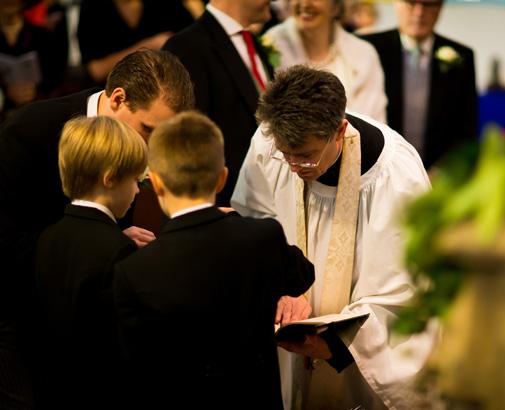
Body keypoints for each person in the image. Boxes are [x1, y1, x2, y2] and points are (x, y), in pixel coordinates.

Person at [231, 65, 438, 409]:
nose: (293, 166)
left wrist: (334, 345)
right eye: (286, 153)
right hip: (286, 345)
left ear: (339, 131)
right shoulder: (270, 143)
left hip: (355, 369)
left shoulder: (396, 177)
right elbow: (252, 227)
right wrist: (279, 289)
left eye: (306, 156)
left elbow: (406, 294)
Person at [0, 48, 194, 409]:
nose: (153, 148)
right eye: (149, 130)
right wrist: (95, 242)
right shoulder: (30, 131)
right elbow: (6, 245)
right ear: (118, 98)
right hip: (17, 326)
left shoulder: (131, 142)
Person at [112, 111, 315, 408]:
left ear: (155, 184)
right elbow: (303, 275)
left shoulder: (134, 270)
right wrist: (239, 221)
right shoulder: (262, 238)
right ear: (222, 179)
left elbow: (133, 370)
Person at [34, 115, 147, 409]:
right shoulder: (118, 250)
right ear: (109, 178)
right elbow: (127, 346)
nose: (137, 190)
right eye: (135, 180)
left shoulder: (47, 237)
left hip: (54, 391)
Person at [162, 0, 275, 207]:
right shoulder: (187, 46)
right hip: (220, 206)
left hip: (260, 202)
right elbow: (188, 142)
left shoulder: (251, 41)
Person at [361, 0, 478, 171]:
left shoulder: (463, 57)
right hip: (379, 171)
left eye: (429, 4)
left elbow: (466, 130)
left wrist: (441, 172)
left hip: (436, 177)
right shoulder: (368, 48)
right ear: (396, 3)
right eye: (411, 2)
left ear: (440, 7)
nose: (419, 12)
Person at [264, 0, 387, 123]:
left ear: (336, 6)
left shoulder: (364, 53)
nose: (305, 4)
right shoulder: (271, 46)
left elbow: (375, 122)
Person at [77, 0, 195, 86]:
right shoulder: (92, 8)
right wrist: (148, 47)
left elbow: (192, 46)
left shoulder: (168, 5)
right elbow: (95, 71)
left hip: (168, 89)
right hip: (115, 95)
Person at [0, 0, 68, 121]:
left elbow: (54, 78)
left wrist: (35, 93)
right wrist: (6, 93)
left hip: (36, 112)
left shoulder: (41, 36)